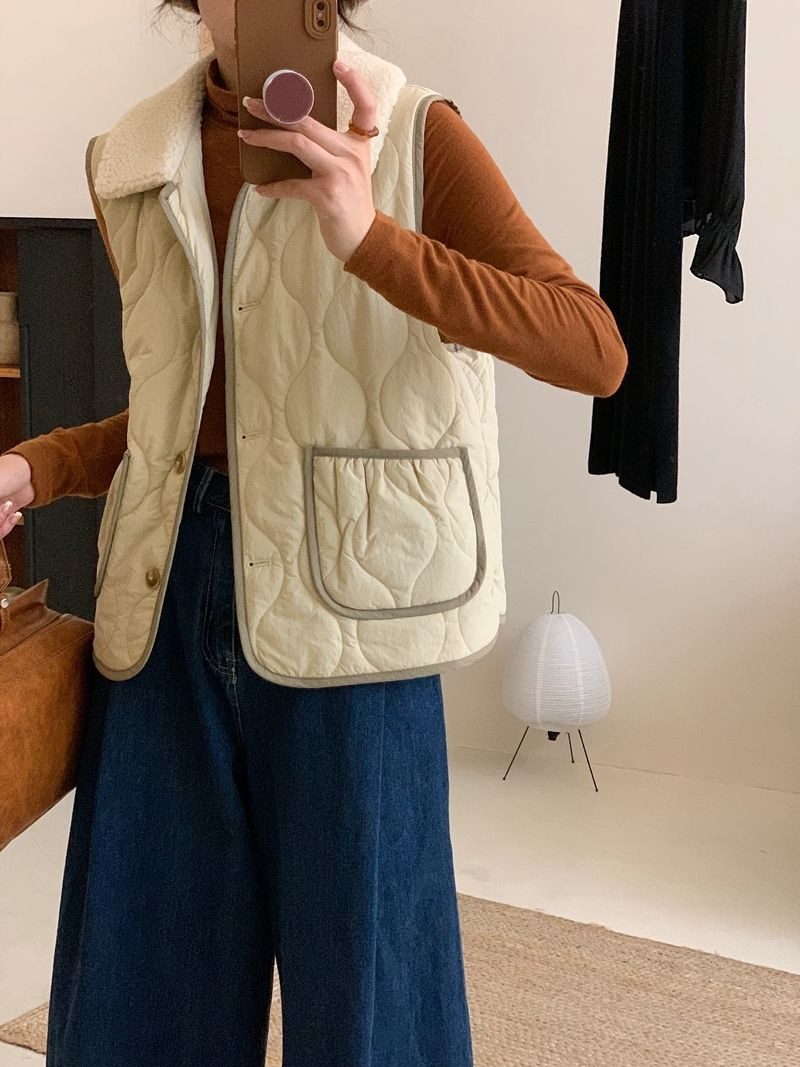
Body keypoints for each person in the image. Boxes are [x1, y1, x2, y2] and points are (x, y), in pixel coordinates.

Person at [0, 2, 628, 1064]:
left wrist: (369, 235)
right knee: (142, 992)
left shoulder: (416, 133)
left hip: (356, 603)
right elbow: (189, 414)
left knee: (369, 1000)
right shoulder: (133, 159)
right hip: (166, 591)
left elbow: (592, 347)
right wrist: (38, 464)